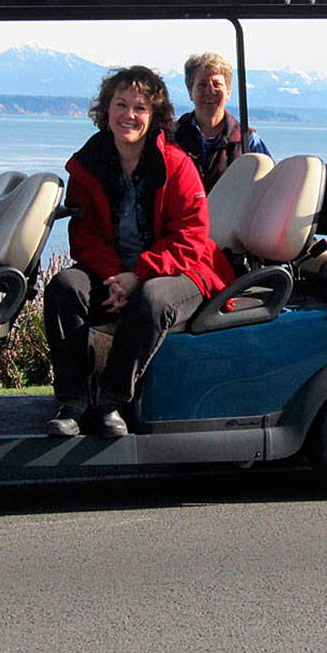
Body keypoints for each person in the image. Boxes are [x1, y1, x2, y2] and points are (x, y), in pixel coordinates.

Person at [45, 65, 235, 437]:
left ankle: (112, 400)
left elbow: (192, 237)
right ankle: (73, 401)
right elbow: (83, 234)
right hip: (114, 272)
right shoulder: (88, 164)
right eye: (121, 104)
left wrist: (138, 276)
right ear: (107, 109)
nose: (128, 115)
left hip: (181, 272)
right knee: (64, 288)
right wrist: (114, 278)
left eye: (140, 108)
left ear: (154, 115)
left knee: (152, 299)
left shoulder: (176, 165)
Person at [173, 51, 270, 191]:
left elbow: (267, 186)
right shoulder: (172, 136)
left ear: (228, 92)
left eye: (217, 84)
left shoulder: (247, 141)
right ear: (190, 92)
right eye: (202, 85)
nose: (210, 91)